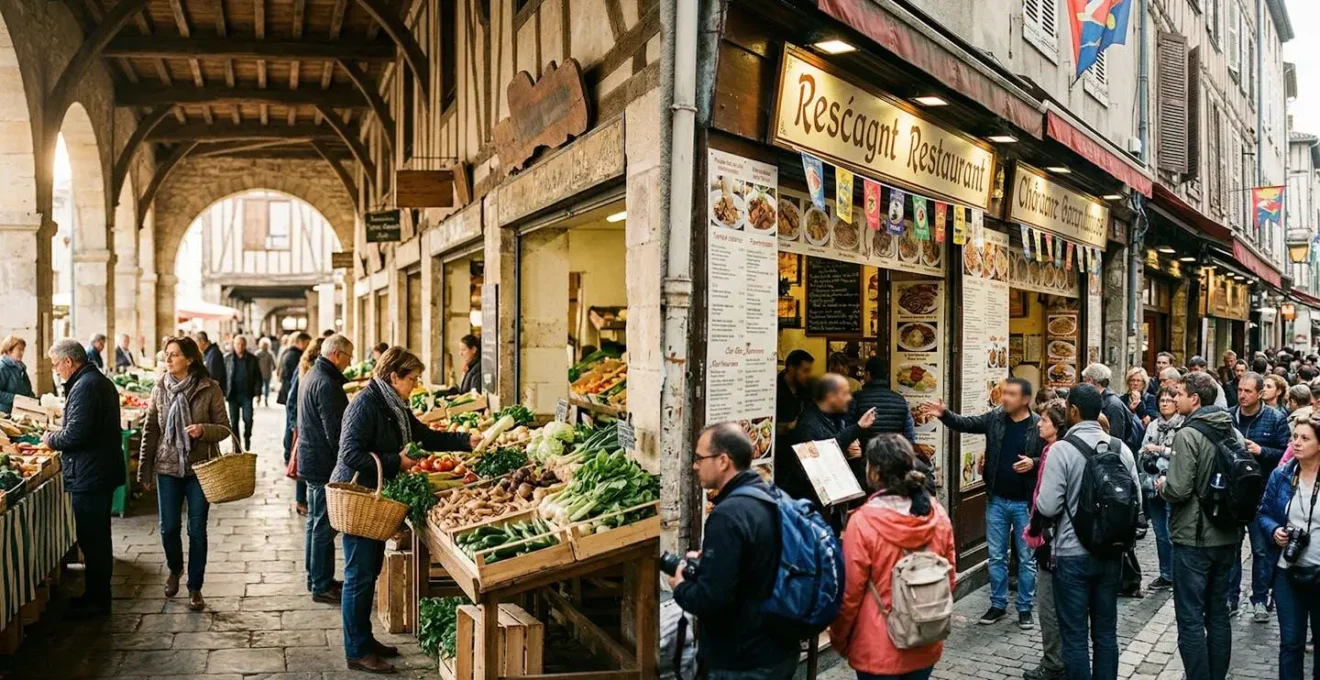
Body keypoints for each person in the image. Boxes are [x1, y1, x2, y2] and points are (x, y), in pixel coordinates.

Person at [333, 347, 477, 673]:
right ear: (393, 376)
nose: (415, 384)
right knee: (358, 575)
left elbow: (423, 435)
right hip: (361, 498)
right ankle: (356, 650)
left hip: (377, 498)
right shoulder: (366, 405)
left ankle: (364, 640)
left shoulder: (393, 405)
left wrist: (465, 440)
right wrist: (394, 461)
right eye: (411, 378)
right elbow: (350, 454)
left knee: (368, 571)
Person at [670, 423, 798, 680]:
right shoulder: (775, 498)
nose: (695, 466)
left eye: (699, 458)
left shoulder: (728, 516)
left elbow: (712, 599)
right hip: (781, 650)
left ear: (723, 461)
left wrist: (680, 585)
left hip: (744, 659)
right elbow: (757, 564)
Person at [1034, 384, 1141, 680]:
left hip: (1070, 553)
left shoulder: (1062, 450)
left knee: (1074, 634)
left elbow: (1048, 505)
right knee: (1106, 633)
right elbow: (1137, 503)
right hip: (1111, 552)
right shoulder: (1121, 449)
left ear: (1074, 411)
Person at [830, 435, 955, 680]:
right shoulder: (936, 514)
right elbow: (949, 578)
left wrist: (840, 638)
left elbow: (849, 594)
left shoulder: (863, 521)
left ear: (875, 473)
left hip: (877, 645)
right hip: (923, 638)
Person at [923, 378, 1041, 628]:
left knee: (1026, 558)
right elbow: (966, 424)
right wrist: (944, 414)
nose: (1005, 398)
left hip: (1024, 504)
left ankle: (1024, 608)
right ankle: (998, 604)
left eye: (1011, 394)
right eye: (1004, 393)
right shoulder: (995, 419)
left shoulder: (1037, 425)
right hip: (996, 500)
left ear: (1025, 400)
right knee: (996, 556)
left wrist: (1034, 462)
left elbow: (1052, 455)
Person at [1157, 371, 1245, 680]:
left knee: (1191, 617)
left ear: (1195, 399)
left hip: (1194, 538)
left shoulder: (1189, 434)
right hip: (1227, 535)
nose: (1175, 398)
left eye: (1179, 393)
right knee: (1218, 612)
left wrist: (1161, 484)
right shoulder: (1231, 430)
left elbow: (1179, 490)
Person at [137, 336, 229, 612]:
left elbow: (224, 428)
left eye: (174, 355)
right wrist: (144, 468)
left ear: (189, 359)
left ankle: (195, 587)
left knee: (197, 530)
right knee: (168, 528)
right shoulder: (160, 388)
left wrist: (204, 429)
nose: (168, 359)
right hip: (167, 467)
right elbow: (151, 429)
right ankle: (175, 568)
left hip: (200, 468)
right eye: (166, 354)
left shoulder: (210, 389)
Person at [44, 339, 123, 617]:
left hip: (91, 472)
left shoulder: (86, 386)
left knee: (93, 538)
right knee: (97, 536)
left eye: (56, 365)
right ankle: (98, 594)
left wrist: (49, 438)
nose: (56, 370)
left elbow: (76, 433)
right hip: (98, 469)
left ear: (69, 361)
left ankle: (97, 599)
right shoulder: (93, 380)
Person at [1257, 415, 1320, 680]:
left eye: (1305, 438)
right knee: (1290, 643)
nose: (1297, 443)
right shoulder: (1282, 475)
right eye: (1295, 437)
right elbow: (1263, 513)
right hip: (1287, 570)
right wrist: (1274, 530)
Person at [1227, 371, 1289, 621]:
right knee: (1231, 549)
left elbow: (1285, 456)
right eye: (1240, 390)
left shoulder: (1275, 419)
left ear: (1260, 393)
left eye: (1248, 391)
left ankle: (1260, 599)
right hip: (1234, 495)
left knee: (1261, 550)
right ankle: (1231, 597)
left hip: (1262, 496)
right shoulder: (1229, 417)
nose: (1242, 395)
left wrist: (1261, 450)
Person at [298, 335, 353, 604]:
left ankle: (316, 578)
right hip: (322, 463)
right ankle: (320, 584)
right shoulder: (327, 384)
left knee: (314, 524)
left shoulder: (313, 374)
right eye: (349, 356)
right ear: (338, 355)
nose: (350, 362)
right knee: (323, 526)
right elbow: (336, 432)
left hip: (311, 459)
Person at [1023, 400, 1068, 680]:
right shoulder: (1060, 449)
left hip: (1051, 541)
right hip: (1069, 542)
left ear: (1057, 426)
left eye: (1044, 420)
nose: (1039, 424)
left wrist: (1033, 533)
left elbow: (1044, 500)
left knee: (1048, 605)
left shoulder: (1053, 451)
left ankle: (1054, 663)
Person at [790, 374, 877, 506]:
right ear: (831, 396)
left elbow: (836, 446)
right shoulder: (808, 425)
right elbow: (816, 462)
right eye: (845, 393)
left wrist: (850, 454)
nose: (849, 398)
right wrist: (856, 429)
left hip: (835, 502)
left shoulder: (837, 418)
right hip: (815, 505)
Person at [1139, 387, 1183, 592]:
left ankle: (1177, 574)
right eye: (1162, 400)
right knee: (1159, 532)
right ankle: (1165, 574)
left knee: (1171, 529)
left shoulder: (1182, 424)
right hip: (1152, 484)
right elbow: (1142, 448)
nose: (1164, 403)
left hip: (1171, 482)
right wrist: (1146, 455)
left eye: (1169, 400)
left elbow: (1181, 454)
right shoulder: (1154, 425)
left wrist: (1160, 450)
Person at [286, 338, 323, 518]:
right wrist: (294, 424)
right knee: (302, 461)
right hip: (303, 423)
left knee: (304, 460)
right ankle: (301, 500)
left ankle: (304, 500)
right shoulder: (304, 369)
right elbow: (291, 399)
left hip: (306, 421)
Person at [851, 357, 915, 449]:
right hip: (893, 457)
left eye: (864, 373)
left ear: (868, 374)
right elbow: (910, 435)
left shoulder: (857, 398)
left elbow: (848, 428)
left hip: (866, 457)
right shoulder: (900, 400)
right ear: (887, 376)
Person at [223, 335, 262, 451]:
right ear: (233, 345)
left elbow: (258, 377)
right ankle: (237, 445)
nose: (239, 346)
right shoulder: (227, 358)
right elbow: (224, 377)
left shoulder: (252, 359)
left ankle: (247, 437)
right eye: (237, 344)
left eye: (242, 344)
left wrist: (258, 393)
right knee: (233, 422)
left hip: (247, 395)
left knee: (248, 419)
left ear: (245, 345)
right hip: (232, 395)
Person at [1082, 363, 1130, 444]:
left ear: (1090, 381)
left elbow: (1116, 438)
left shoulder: (1113, 405)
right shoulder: (1099, 400)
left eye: (1084, 381)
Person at [0, 335, 34, 416]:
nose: (22, 353)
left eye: (23, 350)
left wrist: (34, 400)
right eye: (19, 349)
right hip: (6, 415)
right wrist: (16, 398)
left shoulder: (20, 367)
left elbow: (27, 390)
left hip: (20, 413)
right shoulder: (2, 367)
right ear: (9, 350)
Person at [276, 331, 310, 406]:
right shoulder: (296, 355)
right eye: (307, 343)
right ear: (301, 342)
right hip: (292, 390)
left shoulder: (288, 352)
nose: (308, 346)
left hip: (288, 389)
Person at [194, 331, 227, 398]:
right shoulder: (208, 353)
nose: (196, 345)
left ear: (202, 341)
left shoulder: (214, 354)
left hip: (214, 393)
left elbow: (214, 376)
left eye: (196, 342)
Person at [255, 338, 276, 407]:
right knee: (264, 387)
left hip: (261, 374)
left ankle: (260, 398)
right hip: (265, 373)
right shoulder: (269, 354)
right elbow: (274, 364)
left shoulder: (258, 353)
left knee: (261, 386)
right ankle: (263, 398)